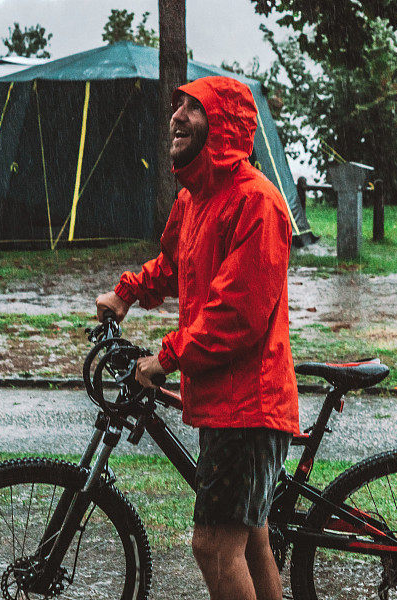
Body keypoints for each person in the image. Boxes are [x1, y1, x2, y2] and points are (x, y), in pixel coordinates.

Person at [95, 75, 299, 600]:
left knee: (212, 544)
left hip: (250, 405)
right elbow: (174, 263)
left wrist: (167, 357)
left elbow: (235, 314)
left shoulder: (258, 203)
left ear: (225, 126)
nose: (177, 117)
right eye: (177, 106)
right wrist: (128, 292)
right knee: (251, 541)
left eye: (193, 107)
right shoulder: (196, 198)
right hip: (223, 401)